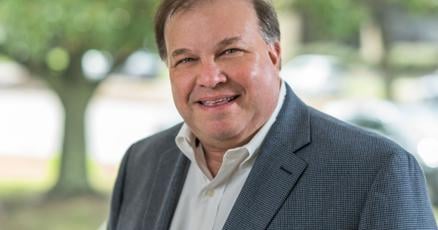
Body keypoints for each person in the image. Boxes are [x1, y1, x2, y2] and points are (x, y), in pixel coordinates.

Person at [108, 0, 437, 229]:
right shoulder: (142, 163)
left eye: (230, 51)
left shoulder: (376, 173)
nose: (209, 77)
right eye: (186, 60)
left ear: (274, 54)